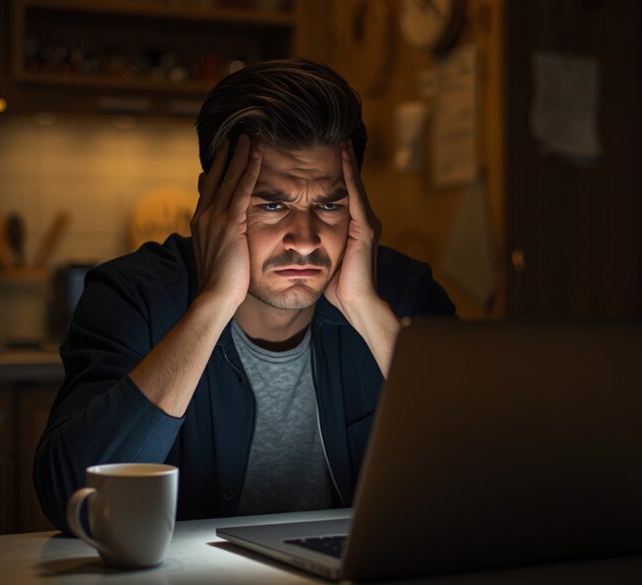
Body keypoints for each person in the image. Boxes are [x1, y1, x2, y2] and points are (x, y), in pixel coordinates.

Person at [34, 59, 456, 533]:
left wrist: (365, 309)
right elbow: (74, 499)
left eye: (330, 204)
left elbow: (480, 478)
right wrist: (214, 303)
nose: (305, 238)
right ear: (212, 202)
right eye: (273, 204)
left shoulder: (403, 297)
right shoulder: (132, 297)